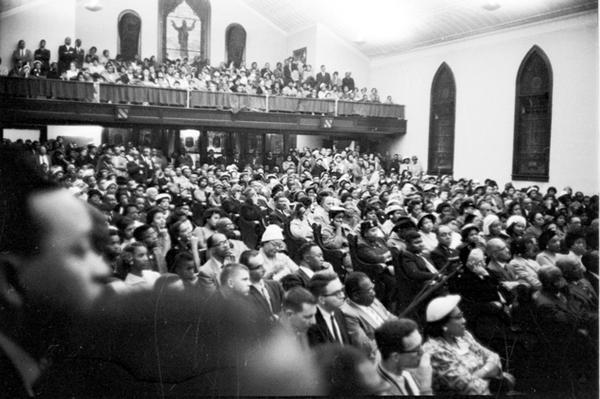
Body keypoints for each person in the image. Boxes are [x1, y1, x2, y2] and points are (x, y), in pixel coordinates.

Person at [423, 295, 514, 395]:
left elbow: (494, 357)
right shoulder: (435, 351)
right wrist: (491, 372)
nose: (464, 321)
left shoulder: (464, 337)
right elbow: (471, 388)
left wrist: (480, 373)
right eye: (458, 317)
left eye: (462, 315)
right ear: (443, 325)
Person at [340, 272, 397, 360]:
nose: (374, 293)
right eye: (369, 290)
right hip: (378, 355)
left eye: (372, 288)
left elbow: (389, 316)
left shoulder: (370, 299)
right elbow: (364, 346)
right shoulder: (348, 313)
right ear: (356, 295)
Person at [375, 318, 433, 395]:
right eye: (417, 349)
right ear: (395, 357)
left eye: (421, 345)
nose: (423, 352)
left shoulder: (406, 369)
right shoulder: (380, 391)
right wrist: (425, 387)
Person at [242, 250, 285, 326]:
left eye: (264, 264)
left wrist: (279, 318)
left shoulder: (275, 285)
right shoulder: (243, 292)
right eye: (258, 267)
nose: (264, 269)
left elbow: (288, 307)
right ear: (246, 270)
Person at [307, 273, 351, 346]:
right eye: (337, 293)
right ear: (321, 299)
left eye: (342, 290)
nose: (343, 296)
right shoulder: (312, 324)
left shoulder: (338, 312)